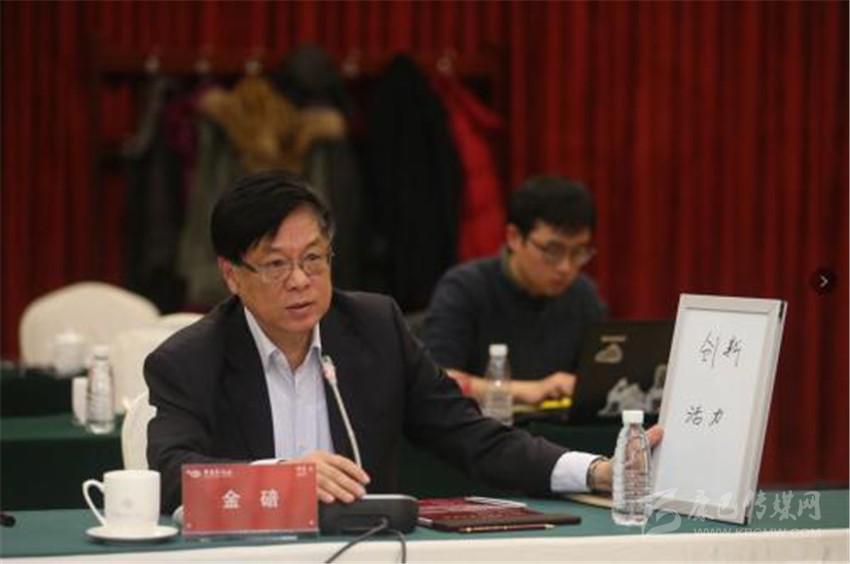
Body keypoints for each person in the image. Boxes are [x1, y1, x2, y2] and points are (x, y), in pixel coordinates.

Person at [145, 170, 660, 512]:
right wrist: (283, 478)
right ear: (232, 275)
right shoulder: (189, 359)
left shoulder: (375, 328)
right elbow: (170, 477)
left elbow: (471, 435)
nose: (300, 280)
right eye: (277, 264)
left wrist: (597, 471)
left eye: (314, 258)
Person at [423, 175, 606, 406]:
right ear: (514, 237)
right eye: (553, 251)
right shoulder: (465, 288)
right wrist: (526, 390)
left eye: (579, 252)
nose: (565, 267)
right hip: (481, 424)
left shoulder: (583, 295)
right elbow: (437, 380)